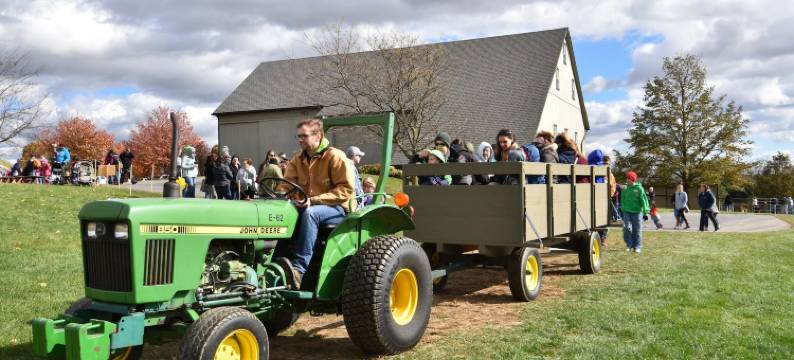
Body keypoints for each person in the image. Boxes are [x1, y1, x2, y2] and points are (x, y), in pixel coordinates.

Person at [275, 118, 356, 290]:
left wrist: (314, 200)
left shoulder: (335, 156)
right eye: (298, 136)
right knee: (283, 213)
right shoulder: (297, 159)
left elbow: (346, 190)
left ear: (317, 135)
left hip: (337, 208)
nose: (300, 140)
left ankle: (298, 269)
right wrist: (278, 195)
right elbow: (286, 184)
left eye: (304, 136)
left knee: (311, 213)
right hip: (306, 204)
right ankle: (275, 264)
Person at [620, 171, 650, 253]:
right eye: (626, 178)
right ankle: (629, 245)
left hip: (637, 212)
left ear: (632, 179)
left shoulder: (639, 188)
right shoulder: (625, 188)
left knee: (637, 229)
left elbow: (644, 200)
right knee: (626, 228)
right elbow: (622, 198)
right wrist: (622, 207)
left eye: (628, 178)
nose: (626, 180)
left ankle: (637, 246)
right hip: (626, 211)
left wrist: (645, 212)